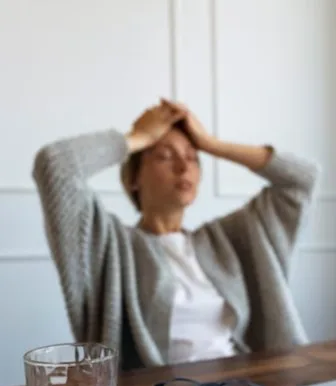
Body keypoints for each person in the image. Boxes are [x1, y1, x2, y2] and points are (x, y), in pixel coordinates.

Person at [32, 98, 319, 370]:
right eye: (165, 156)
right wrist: (138, 137)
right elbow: (55, 166)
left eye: (193, 158)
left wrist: (211, 143)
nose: (184, 167)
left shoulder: (231, 238)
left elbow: (302, 180)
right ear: (133, 178)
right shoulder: (110, 246)